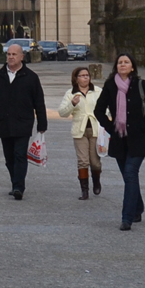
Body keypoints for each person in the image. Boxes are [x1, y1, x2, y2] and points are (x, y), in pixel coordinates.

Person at [93, 53, 145, 230]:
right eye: (120, 62)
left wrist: (141, 127)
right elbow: (98, 110)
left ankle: (127, 218)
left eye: (126, 62)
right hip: (119, 139)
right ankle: (138, 208)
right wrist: (110, 127)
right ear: (116, 66)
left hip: (139, 139)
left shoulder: (141, 85)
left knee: (130, 173)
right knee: (129, 177)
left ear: (132, 67)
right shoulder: (110, 86)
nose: (123, 65)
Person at [0, 41, 47, 200]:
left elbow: (39, 101)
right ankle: (15, 182)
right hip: (4, 122)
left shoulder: (31, 77)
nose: (11, 57)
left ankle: (19, 186)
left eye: (14, 54)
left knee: (20, 154)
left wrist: (42, 123)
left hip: (23, 122)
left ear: (21, 56)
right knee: (9, 157)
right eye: (9, 54)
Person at [54, 65, 104, 200]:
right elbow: (62, 113)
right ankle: (84, 190)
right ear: (76, 79)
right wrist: (72, 104)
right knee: (83, 161)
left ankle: (96, 180)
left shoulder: (98, 91)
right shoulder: (71, 93)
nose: (85, 78)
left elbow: (107, 108)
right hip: (79, 131)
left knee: (95, 162)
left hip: (95, 130)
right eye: (82, 76)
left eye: (87, 75)